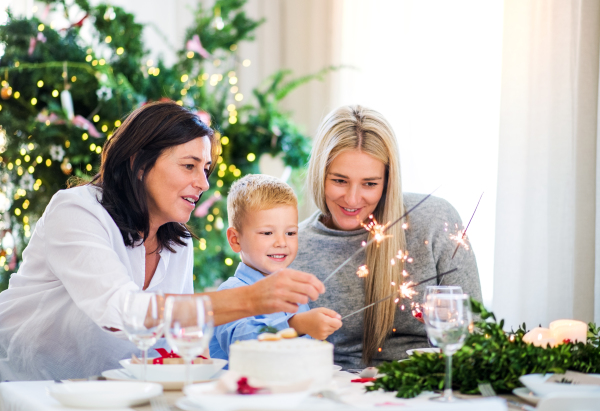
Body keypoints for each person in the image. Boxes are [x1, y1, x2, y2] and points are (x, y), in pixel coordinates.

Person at [0, 102, 325, 381]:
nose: (203, 182)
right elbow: (122, 312)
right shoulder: (77, 211)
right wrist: (251, 300)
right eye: (189, 166)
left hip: (113, 393)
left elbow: (173, 339)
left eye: (206, 169)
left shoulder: (178, 242)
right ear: (139, 163)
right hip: (24, 387)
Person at [290, 105, 482, 368]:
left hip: (427, 388)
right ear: (319, 175)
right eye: (339, 181)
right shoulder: (292, 245)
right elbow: (269, 339)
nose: (353, 198)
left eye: (370, 183)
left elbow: (474, 331)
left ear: (388, 181)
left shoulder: (435, 220)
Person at [209, 174, 342, 361]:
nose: (281, 242)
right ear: (235, 239)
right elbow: (242, 344)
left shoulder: (297, 297)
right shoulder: (230, 294)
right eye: (267, 232)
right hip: (240, 389)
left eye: (290, 232)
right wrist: (295, 325)